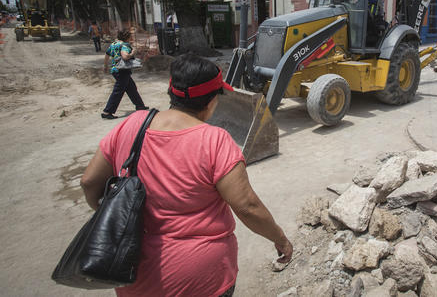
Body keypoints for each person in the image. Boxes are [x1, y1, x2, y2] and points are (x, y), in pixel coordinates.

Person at [81, 54, 293, 296]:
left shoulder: (132, 124)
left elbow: (89, 182)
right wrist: (281, 239)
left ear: (172, 90)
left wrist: (111, 219)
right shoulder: (215, 140)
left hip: (133, 274)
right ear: (212, 99)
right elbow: (246, 206)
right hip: (202, 279)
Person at [102, 30, 148, 119]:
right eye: (130, 36)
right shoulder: (125, 45)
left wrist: (105, 66)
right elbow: (125, 56)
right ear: (127, 37)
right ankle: (107, 112)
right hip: (122, 71)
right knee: (118, 91)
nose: (132, 38)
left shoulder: (114, 44)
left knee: (131, 88)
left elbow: (107, 55)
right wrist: (133, 52)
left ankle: (140, 106)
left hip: (116, 70)